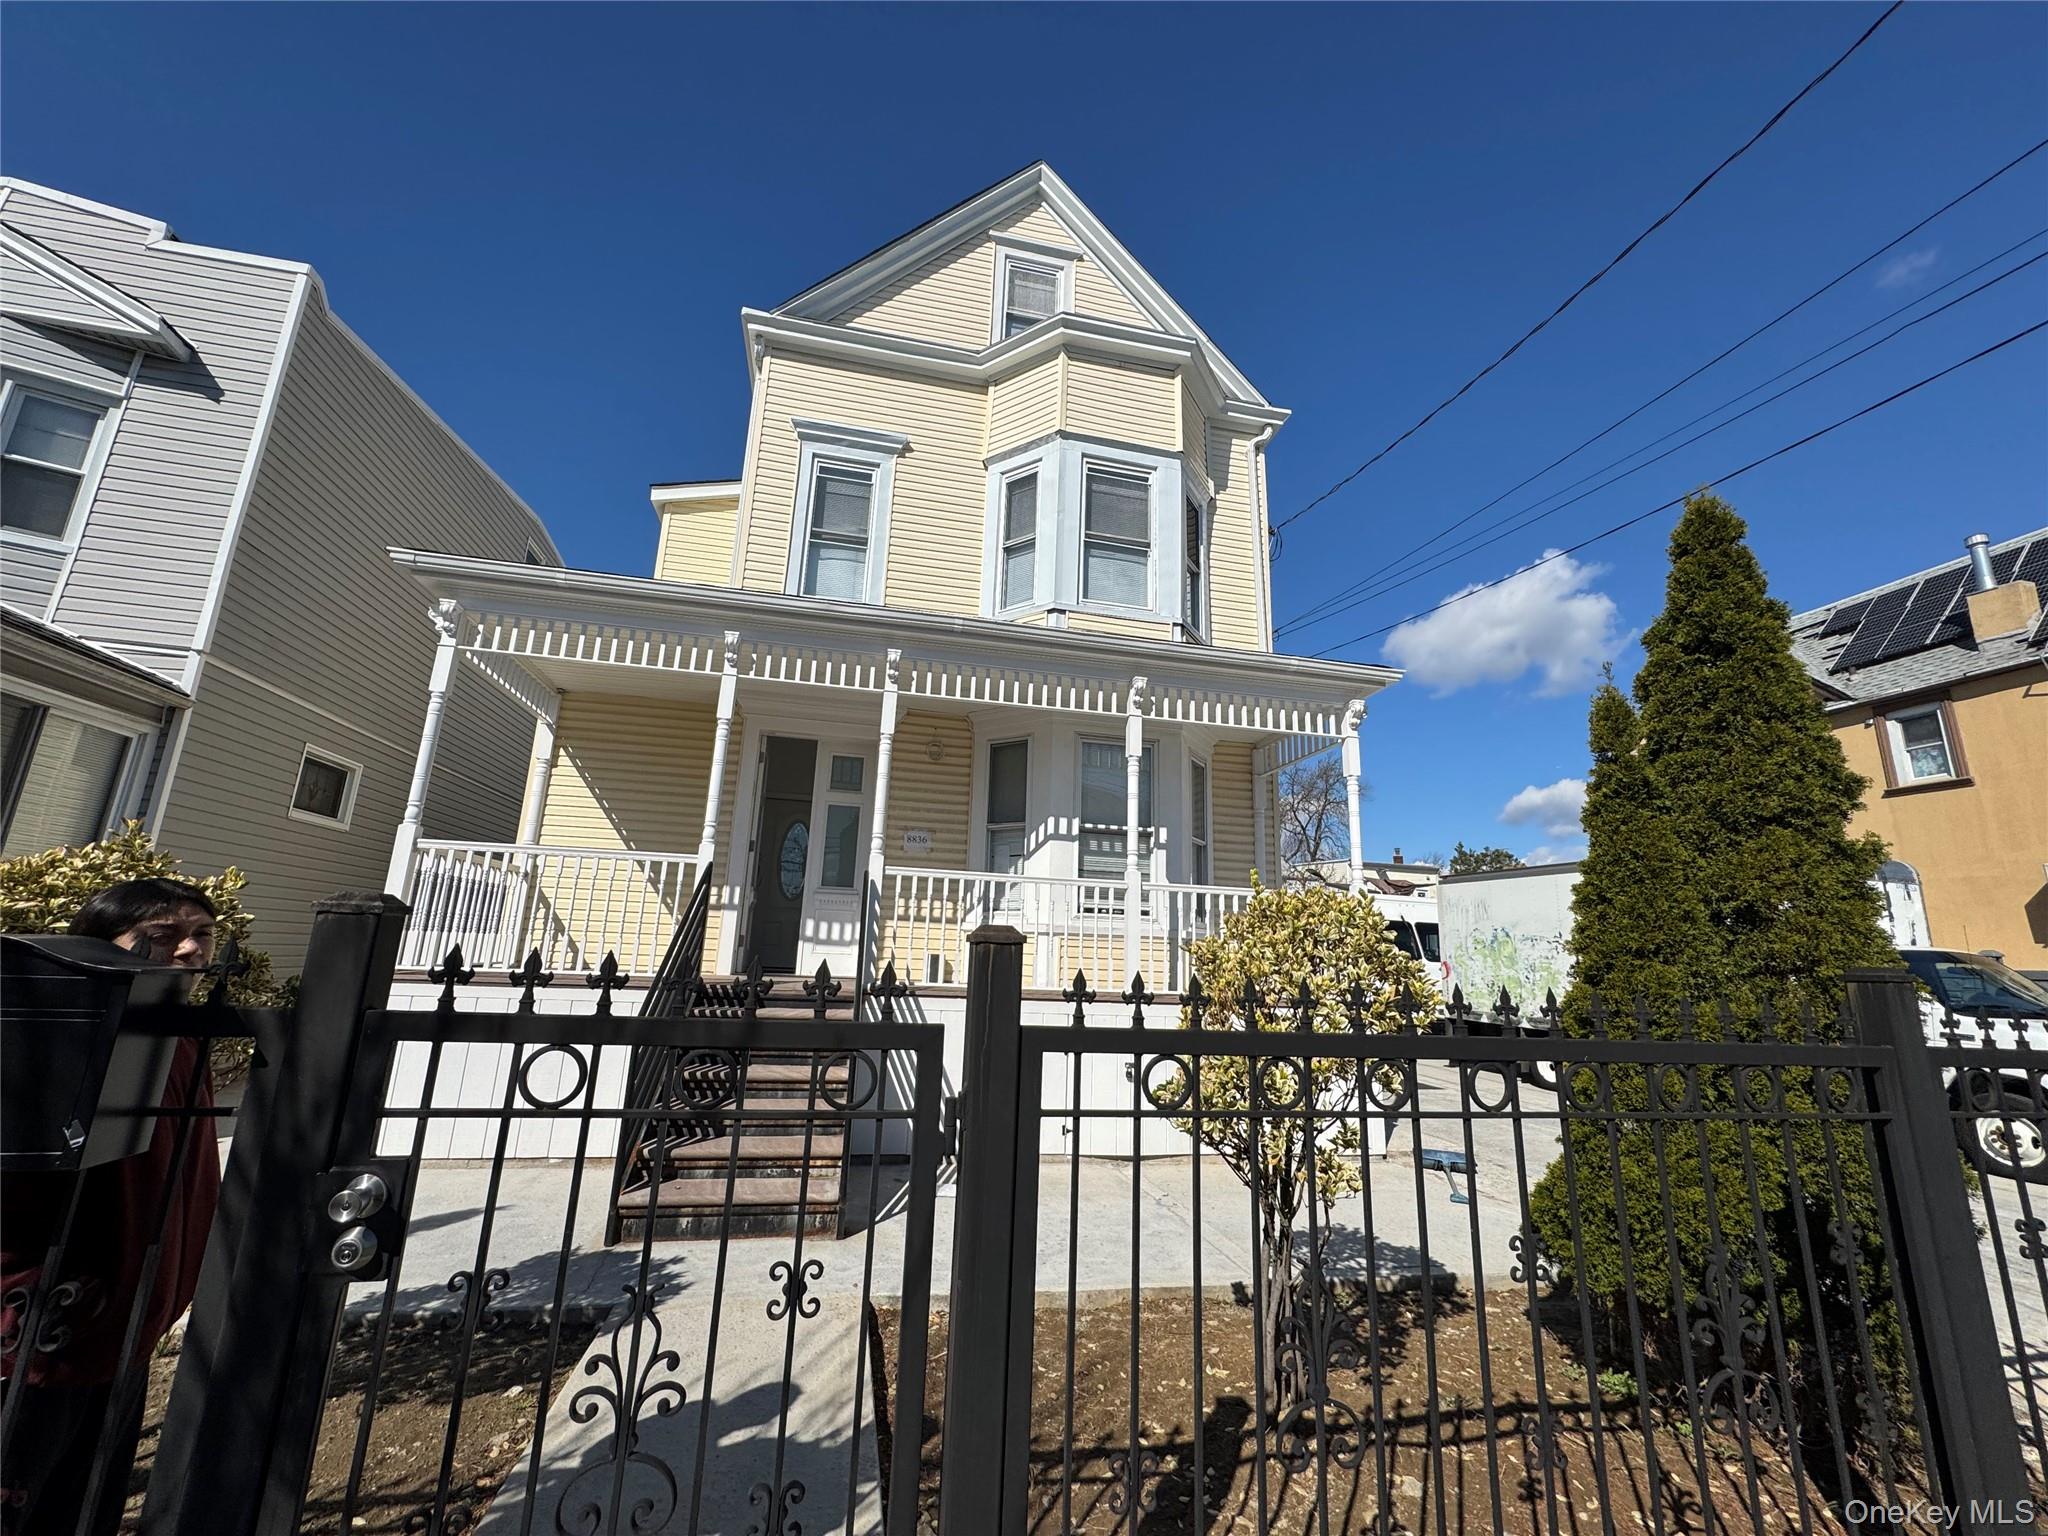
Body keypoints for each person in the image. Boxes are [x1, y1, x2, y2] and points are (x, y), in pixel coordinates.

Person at [0, 879, 223, 1536]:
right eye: (161, 936)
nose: (188, 949)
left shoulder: (186, 1033)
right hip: (38, 1338)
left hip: (126, 1335)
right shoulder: (61, 1033)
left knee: (82, 1511)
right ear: (100, 949)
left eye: (202, 934)